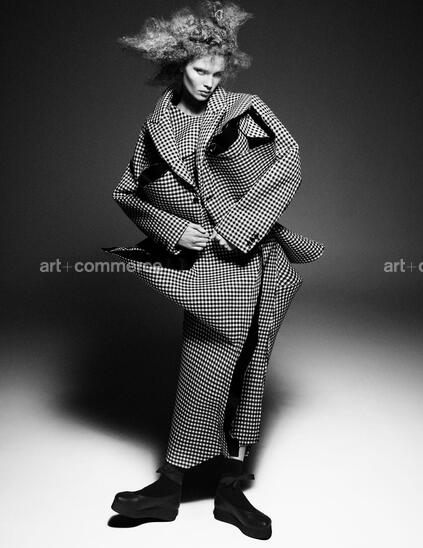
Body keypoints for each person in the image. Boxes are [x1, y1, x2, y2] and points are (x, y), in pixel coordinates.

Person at [102, 0, 325, 540]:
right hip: (207, 271)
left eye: (218, 73)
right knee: (204, 362)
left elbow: (289, 160)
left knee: (251, 366)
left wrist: (240, 225)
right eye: (200, 70)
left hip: (259, 260)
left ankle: (229, 489)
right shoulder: (158, 124)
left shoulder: (247, 109)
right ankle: (171, 485)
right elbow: (128, 192)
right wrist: (175, 230)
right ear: (177, 64)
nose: (209, 82)